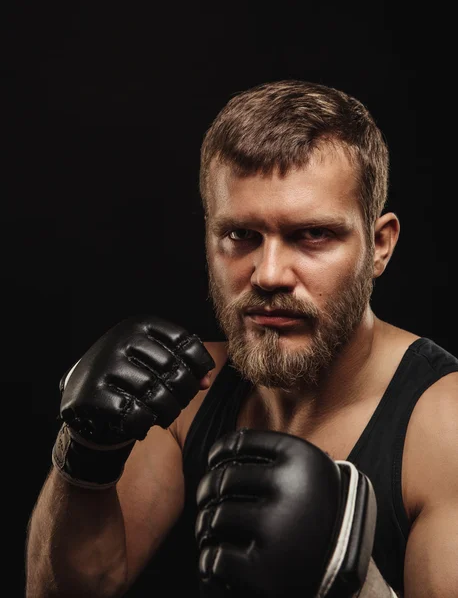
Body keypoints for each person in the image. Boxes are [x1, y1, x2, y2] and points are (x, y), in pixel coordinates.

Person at [25, 80, 458, 598]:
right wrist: (83, 455)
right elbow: (70, 591)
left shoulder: (443, 426)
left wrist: (355, 582)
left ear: (380, 246)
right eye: (241, 236)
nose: (269, 274)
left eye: (312, 235)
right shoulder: (184, 390)